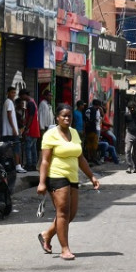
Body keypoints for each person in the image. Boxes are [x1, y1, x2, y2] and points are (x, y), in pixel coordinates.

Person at [36, 103, 100, 261]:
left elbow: (80, 157)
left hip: (73, 177)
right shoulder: (50, 135)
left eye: (69, 116)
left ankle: (47, 235)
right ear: (57, 117)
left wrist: (91, 176)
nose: (66, 118)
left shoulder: (74, 133)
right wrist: (42, 182)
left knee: (71, 214)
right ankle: (65, 249)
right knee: (63, 212)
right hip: (56, 176)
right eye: (63, 115)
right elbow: (44, 161)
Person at [2, 87, 25, 173]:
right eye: (12, 92)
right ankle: (18, 166)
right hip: (10, 131)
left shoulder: (8, 102)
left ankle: (9, 166)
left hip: (7, 131)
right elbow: (9, 116)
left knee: (6, 149)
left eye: (15, 93)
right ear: (8, 93)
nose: (13, 94)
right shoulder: (9, 102)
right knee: (16, 148)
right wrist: (14, 129)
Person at [19, 89, 41, 171]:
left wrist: (26, 128)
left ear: (25, 95)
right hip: (35, 130)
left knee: (28, 148)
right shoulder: (33, 102)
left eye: (21, 96)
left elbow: (31, 117)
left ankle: (29, 164)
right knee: (33, 148)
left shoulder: (30, 103)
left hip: (31, 130)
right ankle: (34, 164)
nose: (21, 98)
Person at [124, 101, 136, 174]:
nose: (132, 109)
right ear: (128, 108)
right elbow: (124, 125)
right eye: (130, 108)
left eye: (133, 108)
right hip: (129, 134)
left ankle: (135, 167)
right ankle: (129, 166)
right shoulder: (126, 115)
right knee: (127, 150)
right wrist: (123, 135)